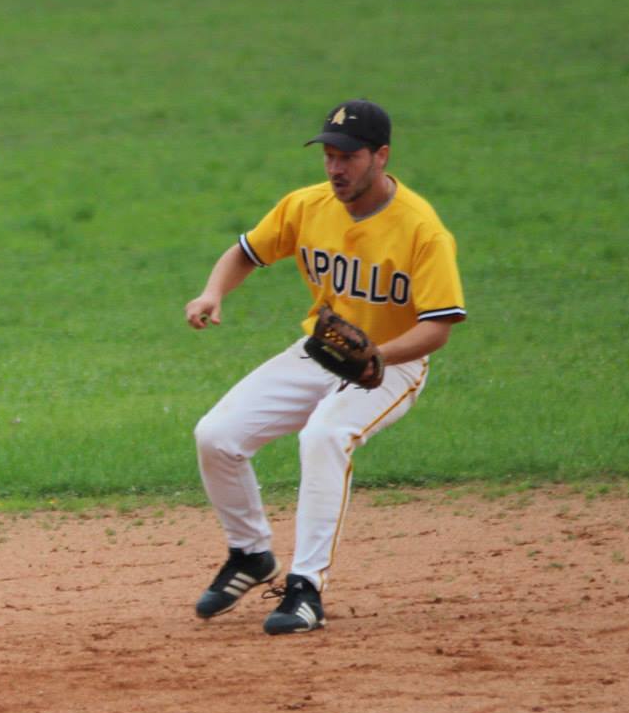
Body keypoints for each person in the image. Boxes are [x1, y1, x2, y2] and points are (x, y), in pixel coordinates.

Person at [184, 100, 467, 634]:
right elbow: (245, 252)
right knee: (216, 436)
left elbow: (438, 327)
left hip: (392, 364)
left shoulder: (422, 230)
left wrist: (379, 357)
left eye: (348, 157)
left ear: (381, 156)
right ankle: (250, 554)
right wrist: (212, 292)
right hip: (321, 351)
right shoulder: (306, 205)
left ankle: (306, 588)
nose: (336, 167)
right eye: (329, 155)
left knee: (324, 437)